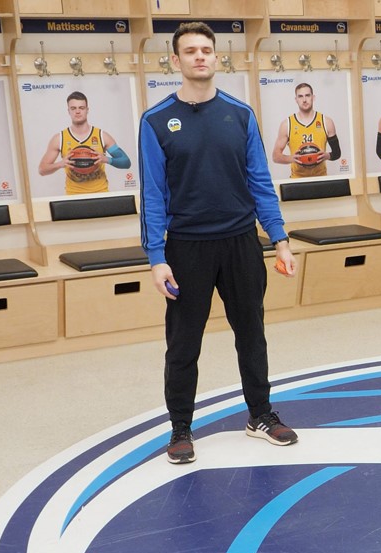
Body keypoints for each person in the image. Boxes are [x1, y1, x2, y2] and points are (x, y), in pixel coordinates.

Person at [139, 21, 299, 465]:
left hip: (241, 242)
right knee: (184, 342)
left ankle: (261, 415)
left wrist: (280, 239)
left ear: (216, 56)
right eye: (190, 51)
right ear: (176, 61)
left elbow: (260, 182)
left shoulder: (240, 114)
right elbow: (152, 195)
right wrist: (156, 257)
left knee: (252, 333)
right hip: (186, 248)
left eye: (206, 50)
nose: (200, 57)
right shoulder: (155, 122)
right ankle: (180, 428)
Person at [38, 91, 131, 195]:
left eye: (81, 108)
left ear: (87, 110)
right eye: (73, 108)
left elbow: (126, 162)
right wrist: (60, 164)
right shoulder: (59, 138)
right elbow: (42, 170)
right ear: (68, 111)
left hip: (101, 193)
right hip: (73, 195)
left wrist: (106, 159)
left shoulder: (102, 136)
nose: (77, 111)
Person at [271, 82, 342, 178]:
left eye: (307, 95)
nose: (304, 100)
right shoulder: (287, 124)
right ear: (296, 100)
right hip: (297, 180)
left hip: (321, 179)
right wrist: (290, 158)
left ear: (313, 97)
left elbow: (337, 153)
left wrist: (327, 156)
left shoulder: (326, 122)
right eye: (300, 96)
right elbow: (276, 156)